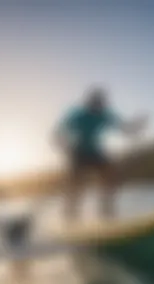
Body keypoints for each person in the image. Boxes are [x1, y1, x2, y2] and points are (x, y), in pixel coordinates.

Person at [54, 87, 148, 221]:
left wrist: (137, 125)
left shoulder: (105, 114)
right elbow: (59, 132)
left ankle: (107, 213)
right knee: (77, 185)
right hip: (77, 152)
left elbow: (126, 129)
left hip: (94, 151)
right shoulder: (78, 114)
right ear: (89, 103)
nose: (98, 107)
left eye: (101, 104)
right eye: (95, 103)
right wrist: (64, 146)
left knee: (111, 175)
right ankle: (70, 217)